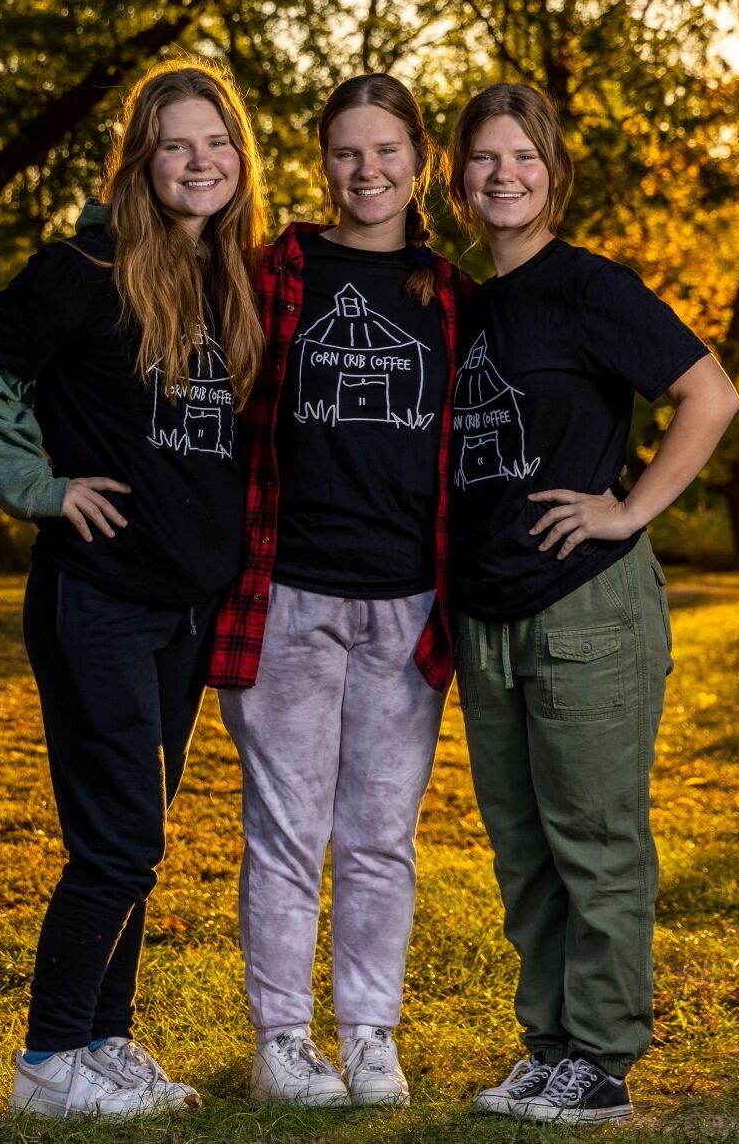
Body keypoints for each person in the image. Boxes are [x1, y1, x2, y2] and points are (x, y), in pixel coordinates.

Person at [0, 58, 267, 1120]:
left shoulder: (227, 278)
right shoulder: (82, 267)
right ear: (140, 157)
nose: (198, 161)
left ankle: (104, 1042)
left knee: (140, 838)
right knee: (118, 839)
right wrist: (40, 484)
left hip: (183, 610)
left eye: (215, 143)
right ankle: (46, 1060)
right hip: (99, 599)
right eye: (176, 143)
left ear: (236, 159)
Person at [444, 82, 739, 1124]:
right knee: (521, 846)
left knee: (593, 838)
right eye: (483, 158)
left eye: (522, 156)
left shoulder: (588, 288)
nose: (502, 175)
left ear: (552, 172)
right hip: (488, 615)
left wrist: (628, 509)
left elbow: (710, 392)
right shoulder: (467, 304)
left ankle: (604, 1059)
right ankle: (548, 1045)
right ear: (458, 178)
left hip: (583, 605)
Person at [208, 72, 474, 1109]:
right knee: (284, 827)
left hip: (407, 603)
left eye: (386, 152)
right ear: (322, 163)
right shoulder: (275, 269)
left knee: (378, 834)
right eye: (345, 153)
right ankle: (282, 1037)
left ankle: (368, 1032)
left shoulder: (450, 292)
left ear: (418, 162)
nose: (366, 171)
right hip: (286, 595)